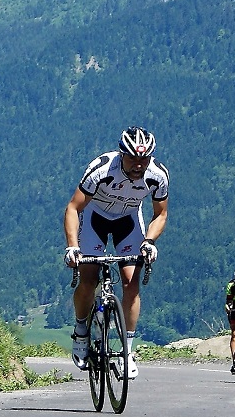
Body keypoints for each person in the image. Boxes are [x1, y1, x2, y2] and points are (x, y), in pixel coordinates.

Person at [63, 125, 169, 378]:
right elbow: (73, 208)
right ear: (122, 153)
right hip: (94, 218)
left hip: (128, 221)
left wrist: (149, 242)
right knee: (88, 279)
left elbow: (160, 214)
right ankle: (81, 331)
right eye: (133, 158)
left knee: (131, 284)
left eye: (144, 158)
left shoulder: (158, 175)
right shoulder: (101, 169)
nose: (139, 164)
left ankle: (127, 352)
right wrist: (72, 247)